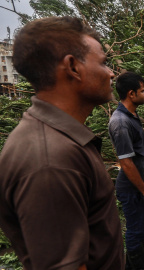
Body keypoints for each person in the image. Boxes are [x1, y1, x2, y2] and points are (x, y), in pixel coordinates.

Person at [0, 17, 124, 269]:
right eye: (103, 63)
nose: (111, 73)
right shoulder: (50, 161)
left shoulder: (60, 139)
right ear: (72, 67)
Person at [108, 72, 144, 270]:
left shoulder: (131, 115)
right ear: (131, 94)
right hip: (132, 190)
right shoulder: (120, 123)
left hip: (140, 186)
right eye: (142, 91)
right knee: (136, 230)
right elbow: (126, 164)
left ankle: (135, 266)